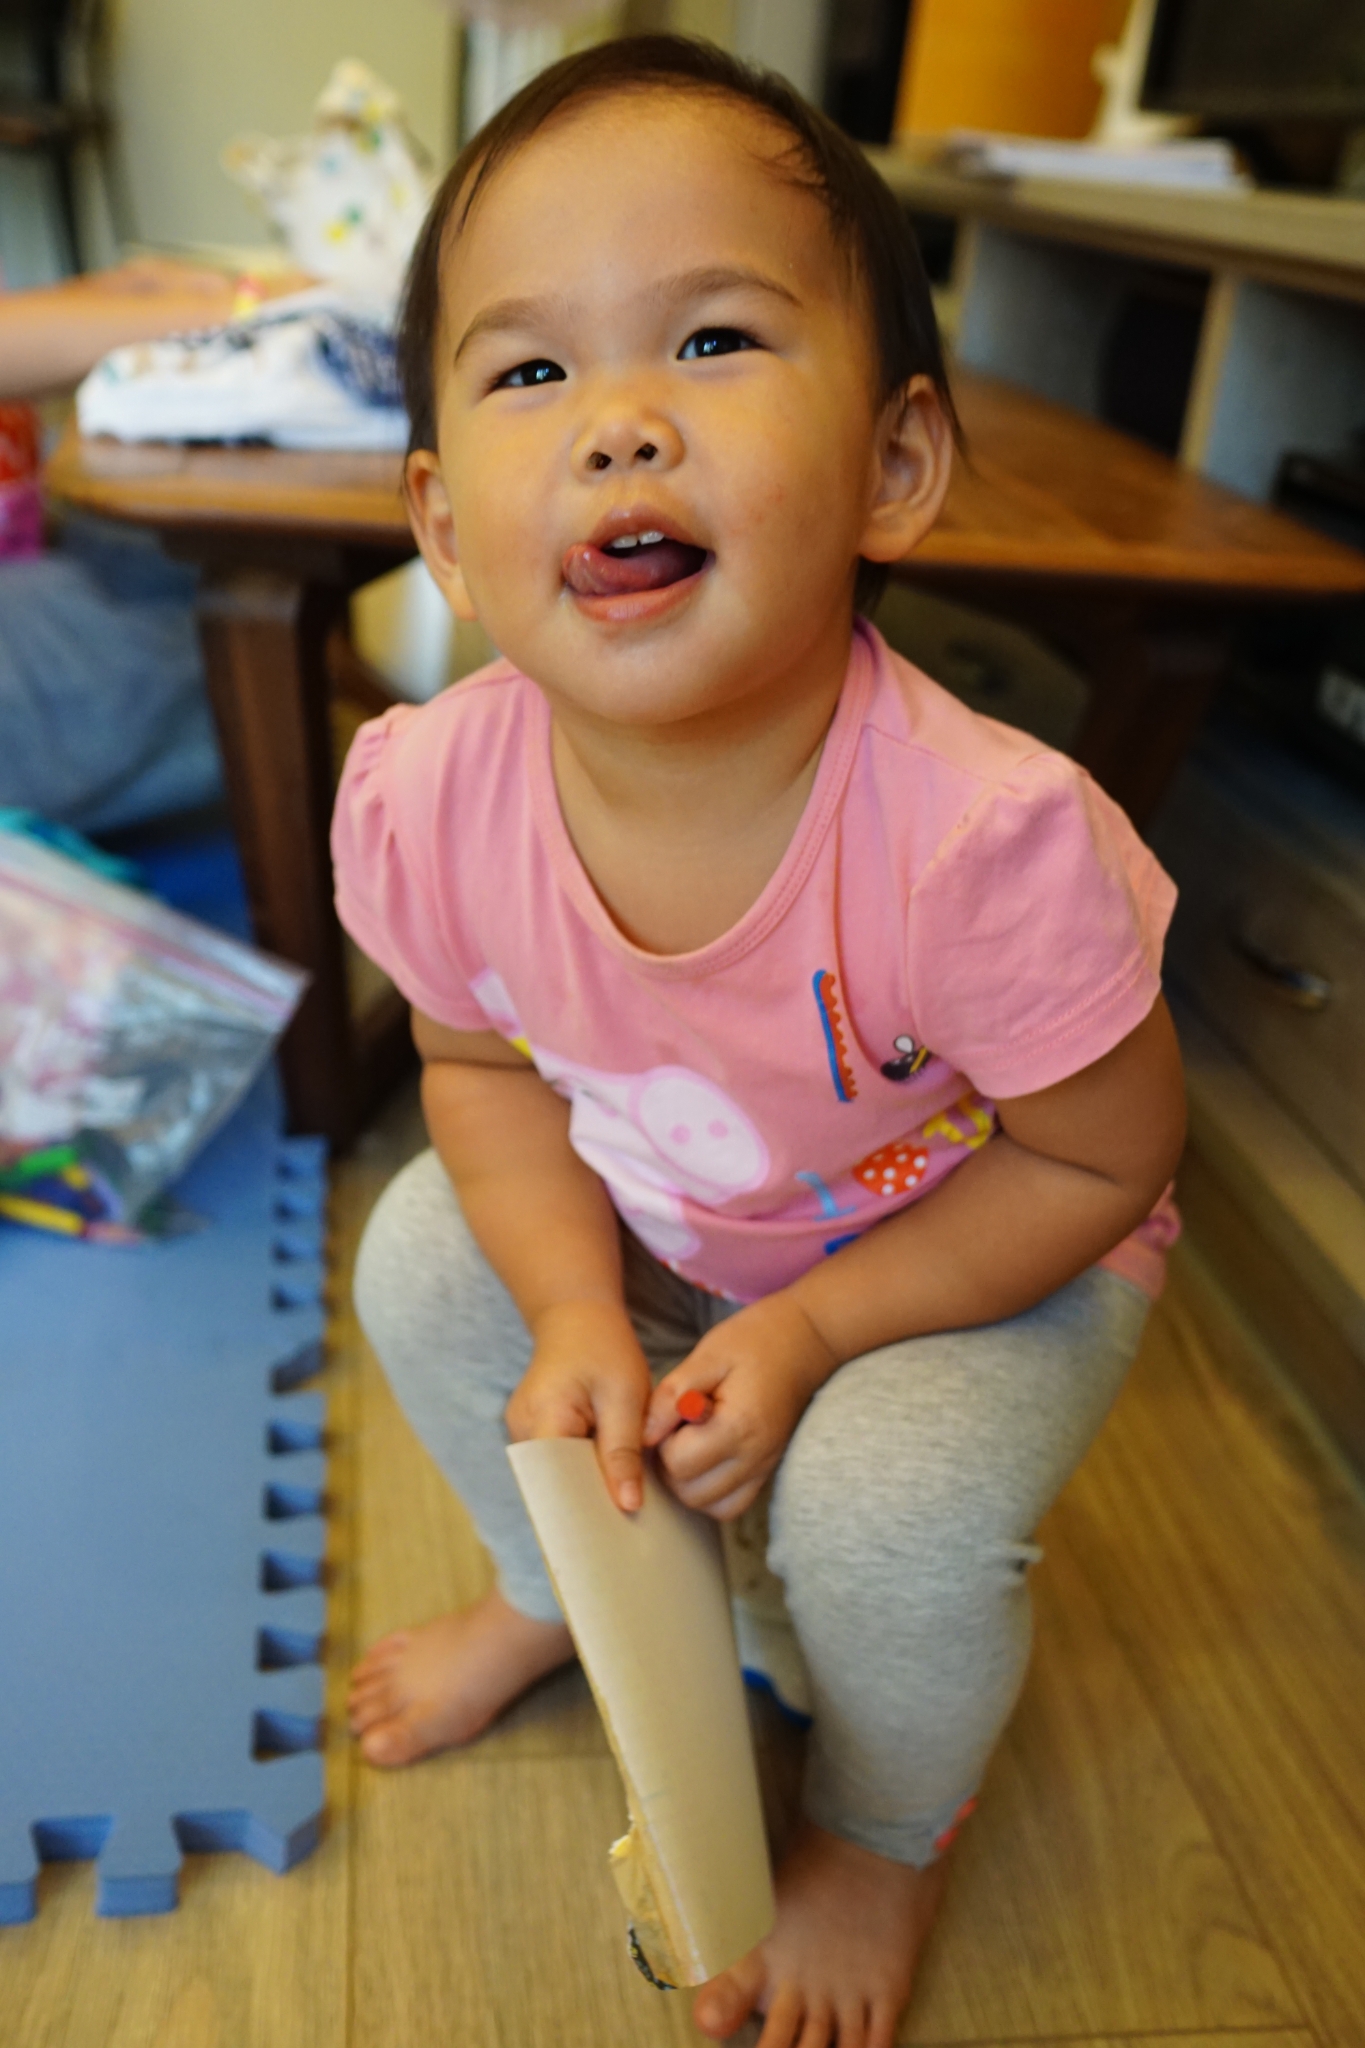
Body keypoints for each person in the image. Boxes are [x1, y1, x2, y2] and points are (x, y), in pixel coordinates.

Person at [332, 36, 1186, 2048]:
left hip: (978, 1254)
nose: (619, 422)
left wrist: (808, 1335)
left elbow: (1103, 1158)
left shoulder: (982, 843)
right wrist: (575, 1311)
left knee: (881, 1516)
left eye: (712, 340)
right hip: (677, 1221)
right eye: (530, 370)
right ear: (442, 523)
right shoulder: (432, 797)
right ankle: (556, 1592)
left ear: (894, 463)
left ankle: (883, 1826)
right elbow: (478, 1072)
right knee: (424, 1260)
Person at [0, 259, 293, 832]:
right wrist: (244, 309)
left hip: (32, 542)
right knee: (230, 633)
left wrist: (107, 292)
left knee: (195, 551)